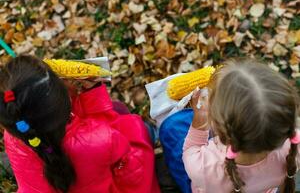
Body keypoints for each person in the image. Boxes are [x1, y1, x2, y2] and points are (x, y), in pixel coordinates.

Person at [0, 55, 160, 193]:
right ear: (63, 101)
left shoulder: (16, 132)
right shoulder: (101, 140)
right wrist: (94, 91)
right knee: (138, 125)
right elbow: (133, 168)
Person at [161, 60, 300, 193]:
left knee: (170, 126)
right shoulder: (293, 150)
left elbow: (190, 151)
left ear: (216, 125)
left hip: (205, 184)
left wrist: (199, 121)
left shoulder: (205, 166)